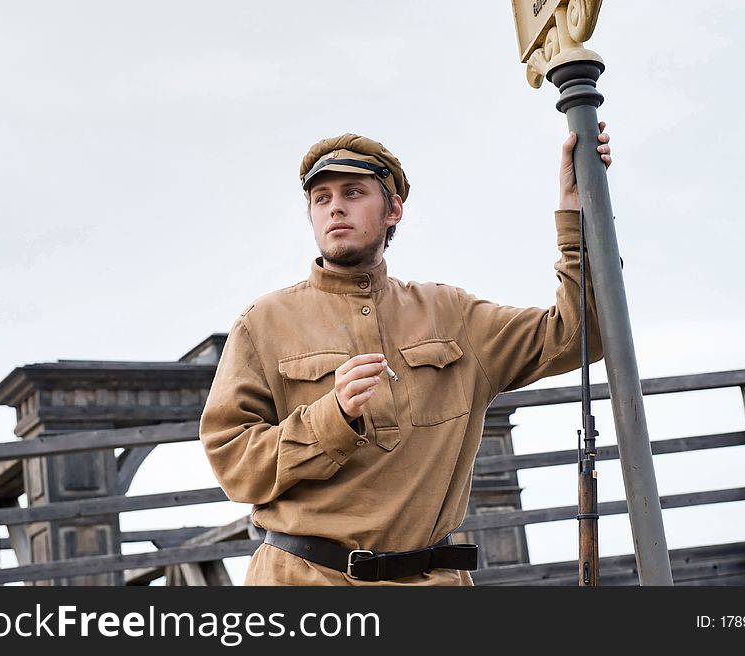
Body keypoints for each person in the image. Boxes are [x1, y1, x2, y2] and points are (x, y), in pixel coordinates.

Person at [199, 127, 612, 585]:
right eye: (321, 198)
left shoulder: (451, 314)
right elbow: (235, 466)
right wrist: (331, 418)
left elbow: (581, 332)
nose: (335, 206)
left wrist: (578, 214)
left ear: (393, 209)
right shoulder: (262, 323)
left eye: (353, 192)